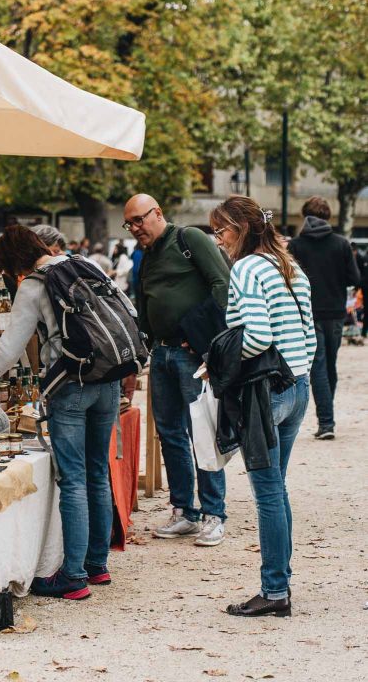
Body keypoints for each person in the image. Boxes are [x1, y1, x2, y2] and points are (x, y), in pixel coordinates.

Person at [0, 225, 118, 600]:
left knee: (74, 479)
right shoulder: (84, 264)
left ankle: (74, 576)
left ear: (15, 262)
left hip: (71, 387)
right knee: (98, 471)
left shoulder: (34, 284)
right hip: (108, 380)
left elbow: (10, 349)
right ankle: (97, 565)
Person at [209, 196, 316, 618]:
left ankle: (275, 591)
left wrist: (219, 360)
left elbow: (256, 337)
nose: (217, 240)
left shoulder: (249, 268)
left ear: (242, 228)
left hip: (264, 391)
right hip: (297, 385)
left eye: (221, 231)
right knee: (278, 487)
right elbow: (307, 336)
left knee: (268, 493)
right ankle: (280, 580)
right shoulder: (288, 264)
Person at [124, 193, 229, 546]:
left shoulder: (190, 239)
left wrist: (203, 335)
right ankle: (184, 511)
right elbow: (147, 301)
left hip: (192, 355)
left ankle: (214, 513)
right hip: (162, 353)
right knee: (169, 434)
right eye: (130, 224)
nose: (135, 228)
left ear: (158, 213)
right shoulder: (147, 254)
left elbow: (222, 283)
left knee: (202, 432)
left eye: (139, 220)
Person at [288, 197, 360, 439]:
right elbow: (354, 278)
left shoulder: (296, 246)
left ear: (305, 216)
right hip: (336, 314)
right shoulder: (341, 244)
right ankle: (327, 417)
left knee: (317, 366)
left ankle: (326, 423)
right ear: (328, 216)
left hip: (309, 313)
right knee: (330, 363)